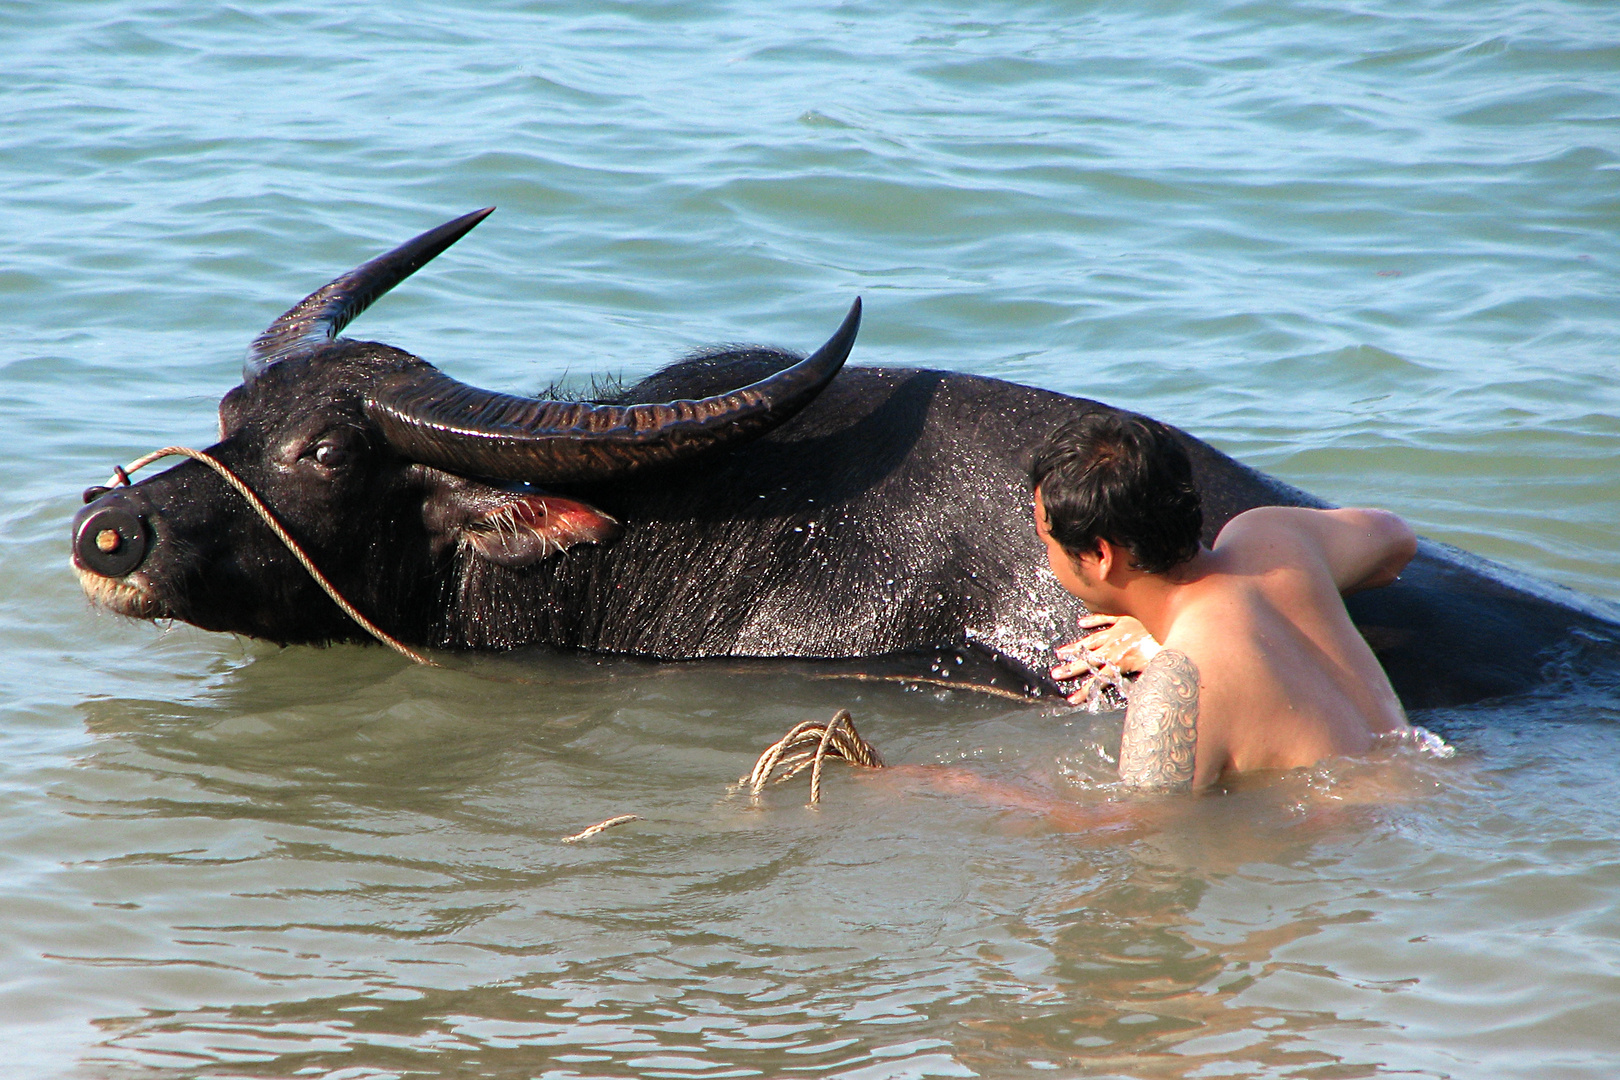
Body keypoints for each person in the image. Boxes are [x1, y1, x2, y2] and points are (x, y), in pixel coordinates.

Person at [1031, 410, 1417, 793]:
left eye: (1047, 542)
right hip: (1432, 778)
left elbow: (1138, 834)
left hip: (1360, 844)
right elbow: (1397, 539)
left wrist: (984, 792)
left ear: (1100, 555)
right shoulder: (1272, 536)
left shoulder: (1174, 689)